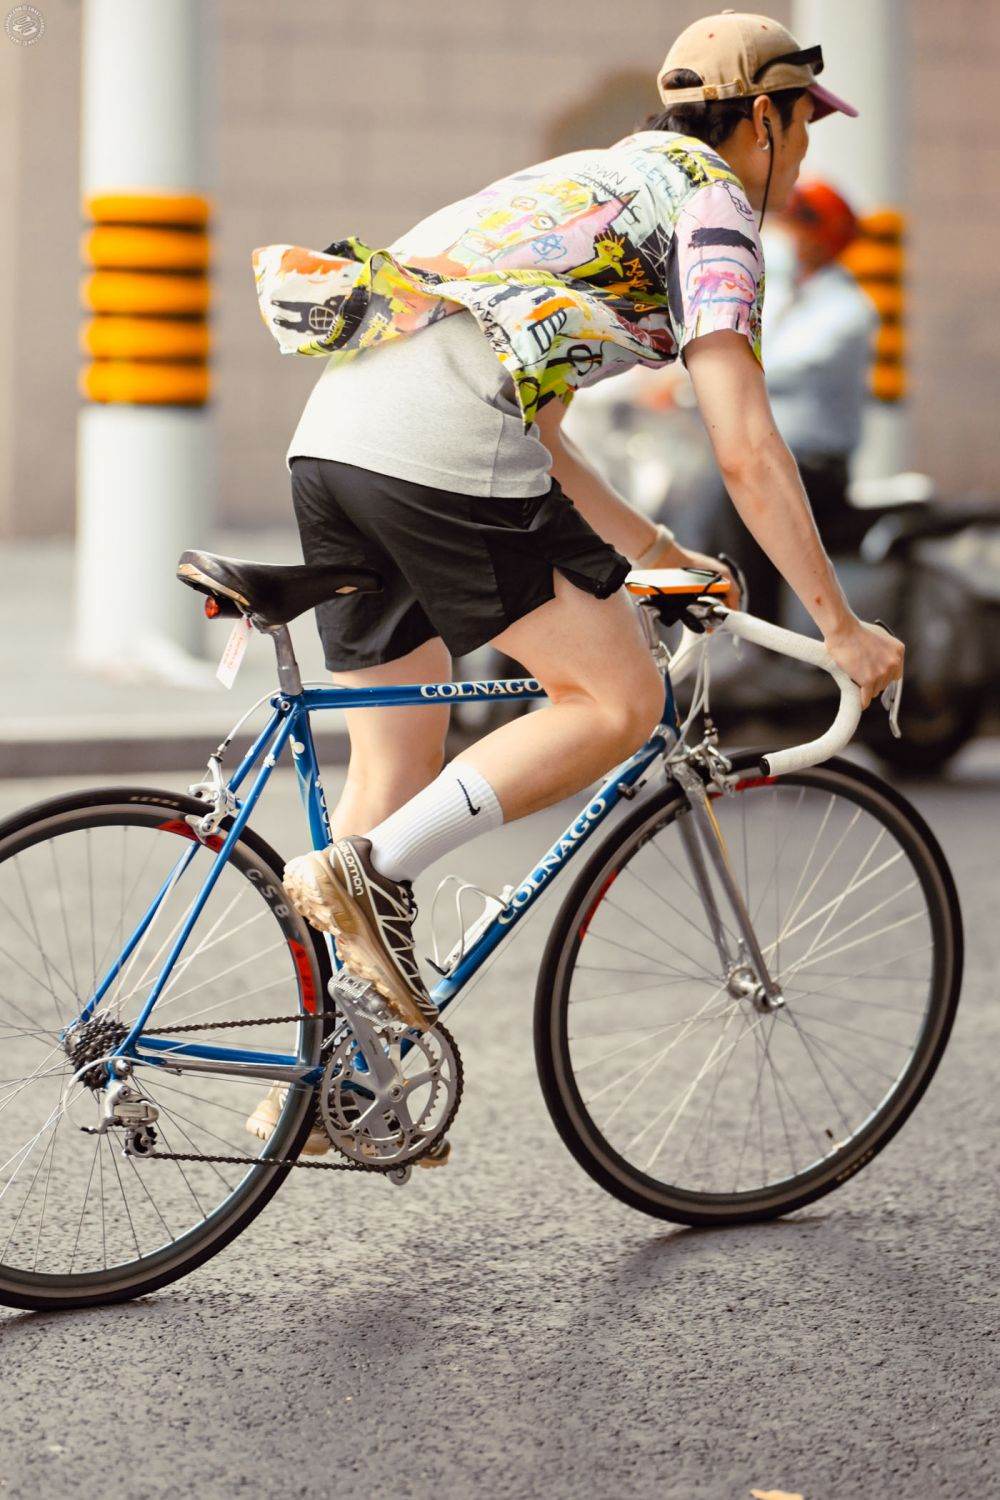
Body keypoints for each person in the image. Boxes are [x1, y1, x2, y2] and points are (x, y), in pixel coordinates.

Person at [245, 10, 904, 1155]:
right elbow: (746, 442)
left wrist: (651, 551)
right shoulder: (711, 209)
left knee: (396, 767)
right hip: (436, 445)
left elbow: (542, 433)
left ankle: (331, 1077)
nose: (802, 156)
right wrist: (839, 625)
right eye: (802, 128)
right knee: (617, 701)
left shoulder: (579, 184)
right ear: (761, 119)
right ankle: (366, 874)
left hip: (335, 444)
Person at [705, 176, 879, 619]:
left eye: (794, 227)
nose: (783, 237)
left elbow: (774, 365)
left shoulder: (846, 309)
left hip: (812, 469)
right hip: (772, 457)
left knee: (738, 513)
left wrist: (701, 377)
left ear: (822, 236)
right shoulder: (787, 293)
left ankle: (763, 638)